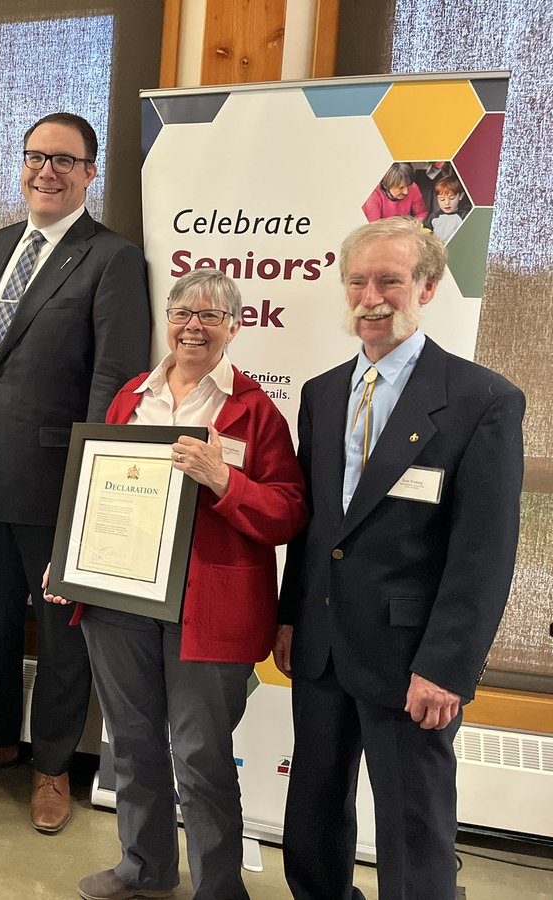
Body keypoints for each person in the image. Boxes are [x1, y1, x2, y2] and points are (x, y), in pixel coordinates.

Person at [275, 217, 525, 900]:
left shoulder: (482, 401)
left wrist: (446, 666)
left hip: (412, 656)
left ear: (428, 288)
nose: (371, 297)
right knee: (313, 812)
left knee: (413, 828)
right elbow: (316, 527)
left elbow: (484, 553)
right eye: (357, 281)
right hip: (323, 643)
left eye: (390, 280)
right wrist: (292, 616)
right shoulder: (323, 393)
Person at [43, 268, 307, 900]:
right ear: (168, 321)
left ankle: (219, 889)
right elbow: (98, 489)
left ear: (234, 327)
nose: (194, 326)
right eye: (183, 312)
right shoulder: (132, 397)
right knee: (133, 745)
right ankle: (145, 867)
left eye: (210, 315)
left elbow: (289, 513)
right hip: (120, 600)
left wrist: (224, 480)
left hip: (209, 610)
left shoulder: (254, 411)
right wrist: (69, 556)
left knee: (201, 758)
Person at [0, 112, 151, 835]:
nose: (46, 171)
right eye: (35, 157)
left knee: (61, 634)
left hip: (58, 487)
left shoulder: (112, 259)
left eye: (64, 159)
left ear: (90, 171)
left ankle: (52, 764)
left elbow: (114, 382)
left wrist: (91, 488)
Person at [362, 163, 427, 222]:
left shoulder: (413, 187)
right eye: (401, 188)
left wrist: (416, 224)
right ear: (386, 185)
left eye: (408, 186)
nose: (406, 192)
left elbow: (421, 213)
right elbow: (374, 225)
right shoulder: (373, 194)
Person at [426, 174, 467, 242]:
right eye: (442, 199)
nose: (447, 203)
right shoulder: (433, 217)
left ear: (460, 196)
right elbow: (425, 231)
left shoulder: (464, 216)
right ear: (437, 198)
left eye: (452, 198)